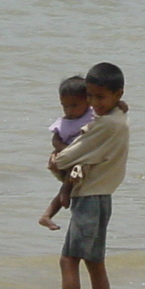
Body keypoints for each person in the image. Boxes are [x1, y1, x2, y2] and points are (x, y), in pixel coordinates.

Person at [41, 62, 129, 289]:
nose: (94, 103)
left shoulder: (105, 125)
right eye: (90, 97)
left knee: (68, 261)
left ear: (117, 94)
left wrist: (56, 159)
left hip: (89, 199)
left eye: (100, 97)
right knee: (95, 264)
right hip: (101, 197)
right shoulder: (116, 117)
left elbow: (66, 158)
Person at [43, 76, 94, 219]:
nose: (69, 110)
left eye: (74, 105)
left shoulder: (92, 115)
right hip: (68, 155)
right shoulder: (63, 122)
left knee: (68, 184)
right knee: (68, 180)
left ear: (88, 101)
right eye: (65, 106)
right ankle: (49, 213)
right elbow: (55, 140)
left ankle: (47, 216)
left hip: (82, 155)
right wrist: (65, 149)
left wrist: (121, 105)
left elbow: (111, 110)